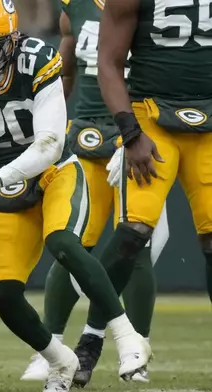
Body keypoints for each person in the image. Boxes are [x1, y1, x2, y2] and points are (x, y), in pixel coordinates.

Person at [0, 0, 151, 391]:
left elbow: (48, 144)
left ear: (13, 39)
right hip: (7, 185)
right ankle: (58, 361)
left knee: (62, 241)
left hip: (55, 173)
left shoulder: (37, 58)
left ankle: (126, 335)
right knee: (3, 291)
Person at [20, 0, 170, 385]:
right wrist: (50, 136)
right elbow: (65, 78)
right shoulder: (75, 8)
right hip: (87, 132)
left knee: (137, 245)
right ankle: (50, 346)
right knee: (73, 243)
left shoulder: (159, 7)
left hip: (140, 133)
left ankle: (137, 345)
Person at [80, 0, 212, 379]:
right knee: (133, 231)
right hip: (152, 116)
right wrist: (131, 134)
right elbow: (109, 62)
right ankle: (91, 339)